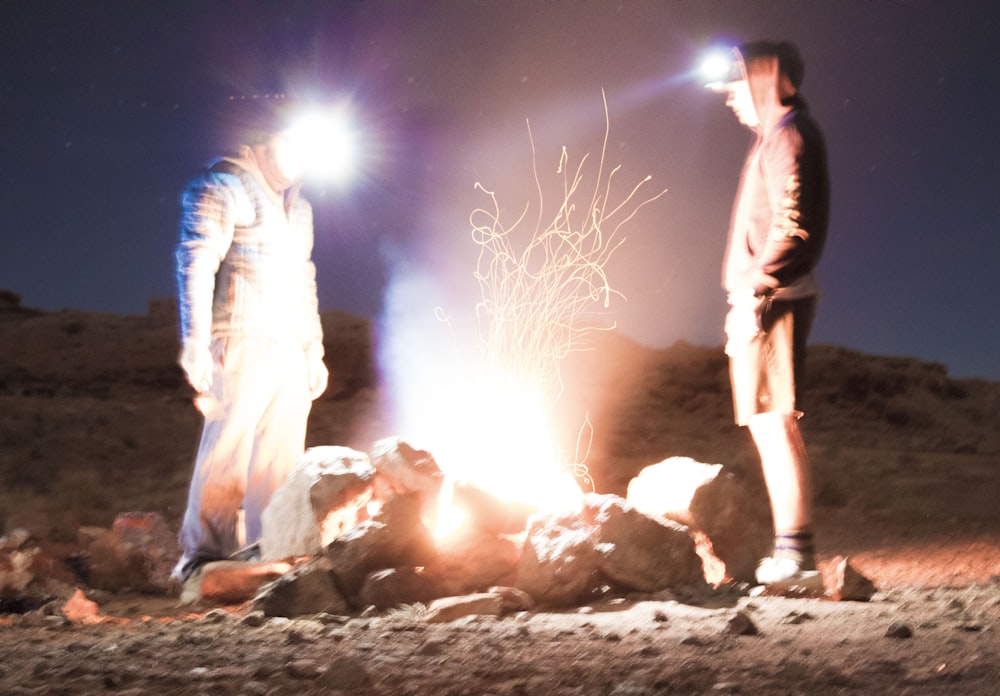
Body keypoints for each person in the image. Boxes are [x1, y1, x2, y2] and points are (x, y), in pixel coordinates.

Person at [171, 97, 329, 583]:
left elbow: (305, 278)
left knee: (281, 462)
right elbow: (196, 258)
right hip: (239, 338)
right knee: (229, 451)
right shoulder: (224, 185)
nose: (299, 157)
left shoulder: (299, 209)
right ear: (262, 140)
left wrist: (313, 350)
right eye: (291, 143)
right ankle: (202, 559)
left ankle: (270, 556)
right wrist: (196, 339)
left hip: (286, 347)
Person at [710, 41, 830, 589]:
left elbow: (796, 223)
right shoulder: (776, 139)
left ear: (764, 82)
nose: (731, 101)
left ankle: (796, 558)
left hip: (774, 299)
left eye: (736, 88)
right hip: (766, 297)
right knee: (768, 423)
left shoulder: (789, 137)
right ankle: (792, 553)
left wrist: (757, 291)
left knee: (774, 422)